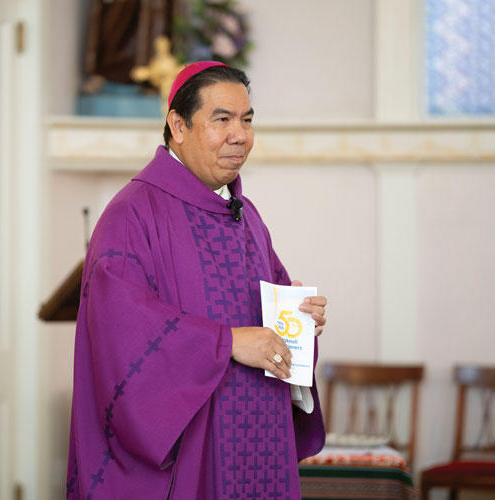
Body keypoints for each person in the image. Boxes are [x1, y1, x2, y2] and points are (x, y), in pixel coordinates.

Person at [66, 61, 328, 499]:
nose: (239, 135)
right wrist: (227, 343)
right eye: (221, 119)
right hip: (194, 451)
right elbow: (120, 333)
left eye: (247, 120)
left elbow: (269, 331)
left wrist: (299, 323)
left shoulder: (246, 217)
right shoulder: (133, 213)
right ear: (178, 125)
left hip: (258, 439)